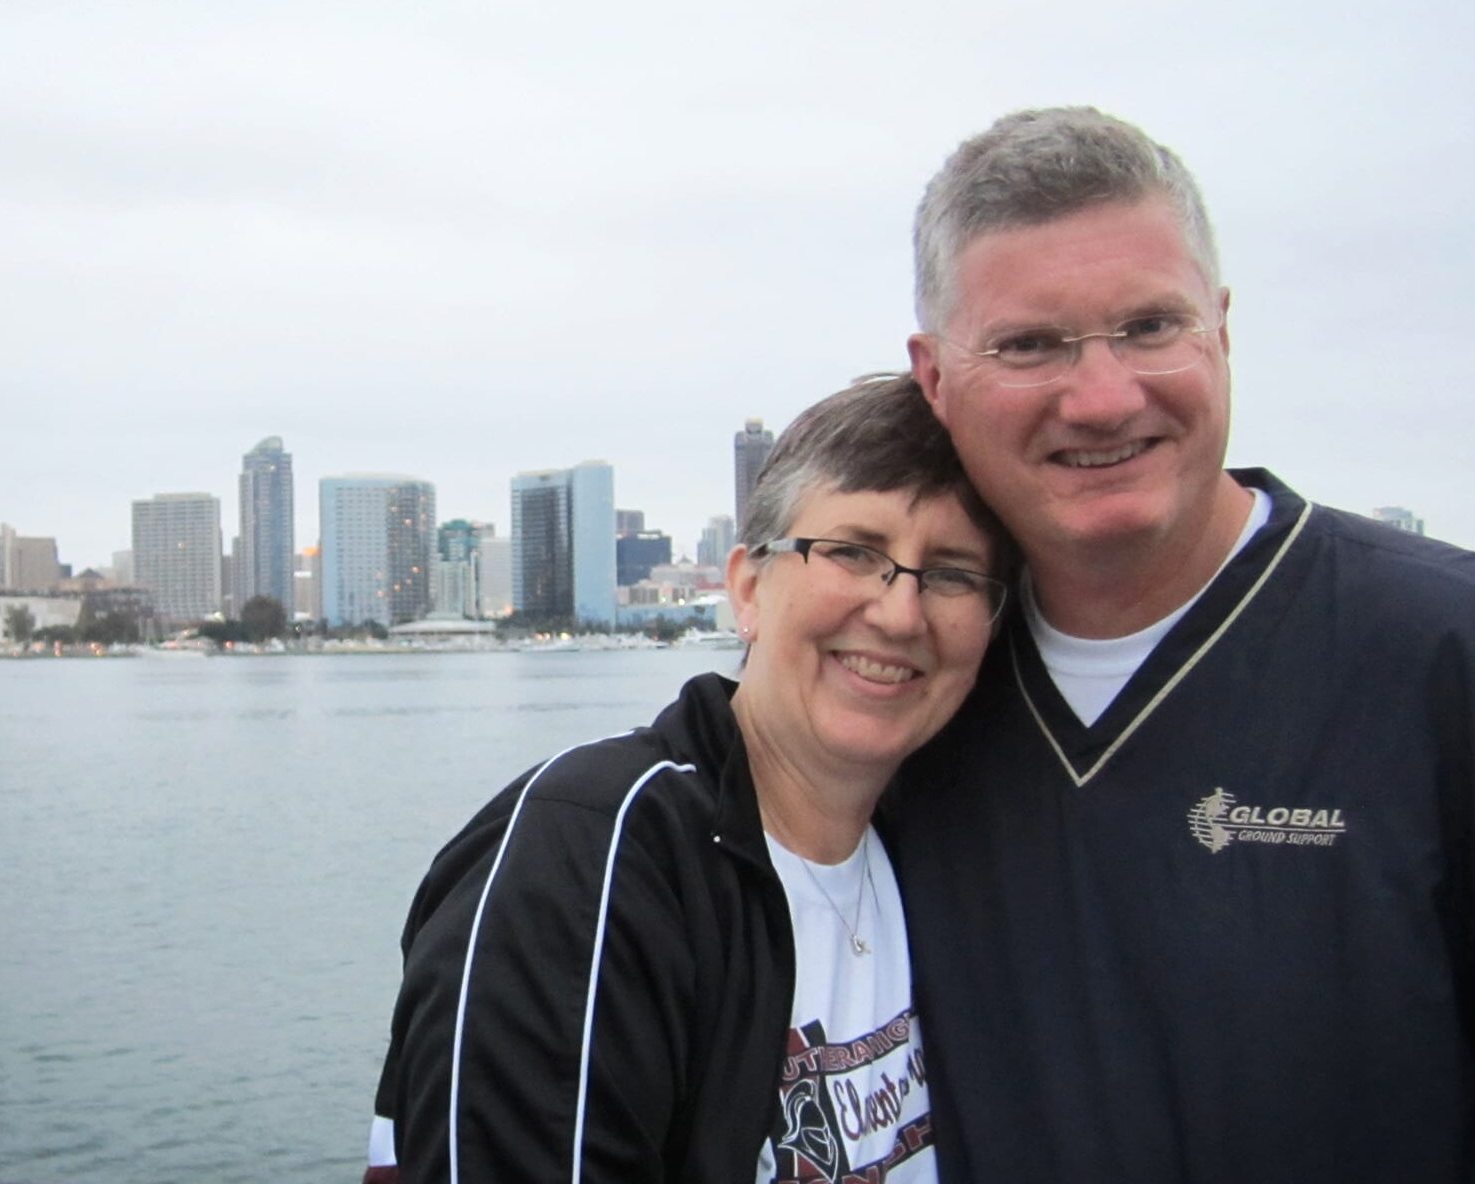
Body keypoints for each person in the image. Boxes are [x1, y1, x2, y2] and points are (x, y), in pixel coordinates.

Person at [887, 107, 1475, 1182]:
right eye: (1030, 345)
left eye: (1151, 327)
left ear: (1220, 327)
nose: (1105, 394)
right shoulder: (905, 701)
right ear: (935, 378)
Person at [363, 372, 1010, 1183]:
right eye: (852, 551)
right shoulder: (589, 860)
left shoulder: (951, 860)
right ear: (747, 587)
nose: (900, 612)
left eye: (951, 572)